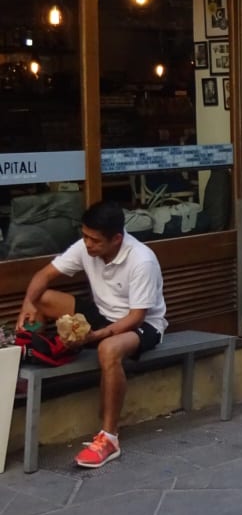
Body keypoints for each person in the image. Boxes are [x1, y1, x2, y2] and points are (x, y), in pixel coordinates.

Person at [17, 200, 167, 468]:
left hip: (143, 325)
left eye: (94, 240)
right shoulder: (86, 246)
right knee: (41, 297)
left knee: (107, 349)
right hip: (102, 314)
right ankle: (32, 359)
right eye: (84, 236)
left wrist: (95, 336)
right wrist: (28, 304)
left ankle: (109, 437)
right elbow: (44, 275)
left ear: (117, 239)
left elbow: (136, 316)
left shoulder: (142, 260)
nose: (87, 244)